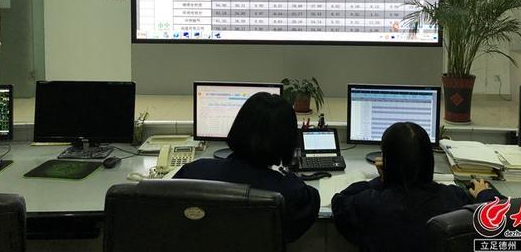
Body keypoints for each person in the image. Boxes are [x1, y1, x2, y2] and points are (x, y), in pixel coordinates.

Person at [331, 122, 504, 251]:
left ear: (387, 162)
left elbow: (340, 202)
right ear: (429, 159)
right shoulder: (453, 198)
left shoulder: (369, 203)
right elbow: (503, 218)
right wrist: (484, 194)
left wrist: (382, 180)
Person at [174, 92, 320, 242]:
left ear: (238, 127)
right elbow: (308, 208)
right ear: (288, 141)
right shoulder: (292, 192)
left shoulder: (193, 172)